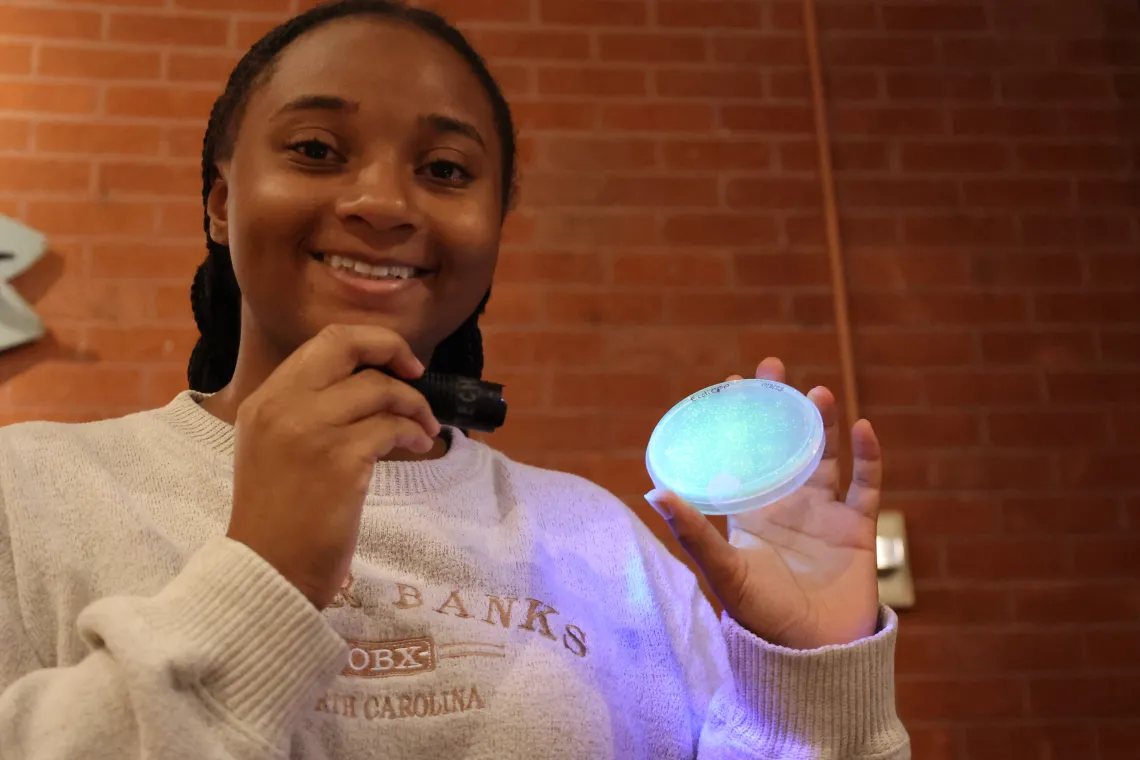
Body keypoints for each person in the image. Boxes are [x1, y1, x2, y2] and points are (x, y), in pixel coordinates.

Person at [0, 1, 910, 758]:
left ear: (495, 224)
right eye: (316, 149)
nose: (384, 204)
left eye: (444, 169)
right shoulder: (32, 494)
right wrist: (261, 580)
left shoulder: (602, 545)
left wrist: (811, 684)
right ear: (219, 198)